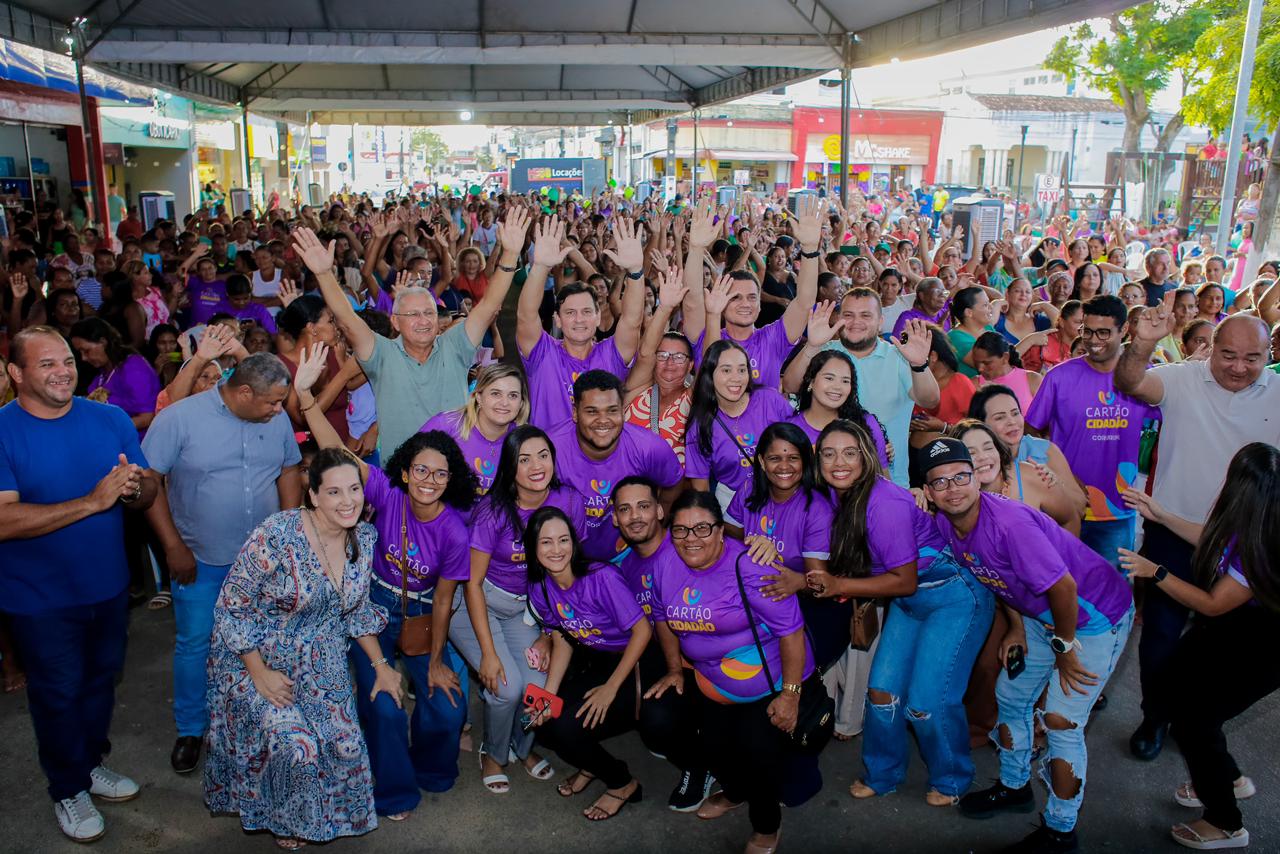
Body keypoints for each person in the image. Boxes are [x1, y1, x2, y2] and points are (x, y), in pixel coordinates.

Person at [923, 438, 1134, 854]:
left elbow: (1064, 588)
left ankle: (1060, 830)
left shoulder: (1009, 524)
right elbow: (996, 577)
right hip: (1042, 617)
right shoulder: (949, 523)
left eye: (961, 476)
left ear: (977, 477)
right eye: (940, 482)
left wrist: (1064, 646)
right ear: (929, 493)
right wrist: (1016, 627)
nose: (953, 488)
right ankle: (1015, 785)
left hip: (1090, 618)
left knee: (1060, 720)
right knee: (1011, 696)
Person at [0, 326, 156, 842]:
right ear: (15, 373)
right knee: (57, 693)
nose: (63, 371)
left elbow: (146, 486)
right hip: (37, 599)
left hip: (107, 587)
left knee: (98, 683)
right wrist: (92, 501)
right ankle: (66, 787)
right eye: (46, 364)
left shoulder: (109, 417)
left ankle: (89, 764)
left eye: (66, 360)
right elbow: (4, 520)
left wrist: (137, 487)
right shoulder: (3, 431)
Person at [203, 449, 402, 850]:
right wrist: (259, 673)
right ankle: (286, 818)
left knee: (344, 743)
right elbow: (231, 606)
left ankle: (316, 815)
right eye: (333, 492)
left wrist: (381, 665)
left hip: (322, 656)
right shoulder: (275, 534)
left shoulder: (364, 537)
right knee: (297, 747)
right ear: (313, 495)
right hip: (253, 656)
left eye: (354, 489)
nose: (348, 501)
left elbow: (357, 610)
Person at [1114, 303, 1280, 762]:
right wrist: (1143, 344)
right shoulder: (1182, 380)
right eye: (1228, 355)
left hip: (1247, 545)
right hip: (1173, 528)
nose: (1239, 367)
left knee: (1229, 643)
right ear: (1210, 348)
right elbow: (1129, 381)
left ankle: (1201, 721)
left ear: (1270, 352)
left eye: (1253, 358)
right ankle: (1156, 716)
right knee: (1161, 636)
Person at [805, 421, 992, 807]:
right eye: (828, 453)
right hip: (910, 603)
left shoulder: (883, 502)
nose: (839, 462)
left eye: (850, 452)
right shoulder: (837, 496)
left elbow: (903, 580)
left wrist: (840, 586)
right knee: (882, 692)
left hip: (951, 598)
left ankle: (953, 778)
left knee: (926, 702)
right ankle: (884, 773)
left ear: (866, 456)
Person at [141, 352, 302, 775]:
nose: (278, 411)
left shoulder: (274, 417)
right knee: (196, 642)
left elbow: (289, 470)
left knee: (266, 642)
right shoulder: (180, 418)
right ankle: (192, 729)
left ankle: (258, 721)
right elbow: (148, 481)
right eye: (270, 402)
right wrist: (172, 546)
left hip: (264, 562)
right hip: (202, 557)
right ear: (243, 392)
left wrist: (287, 538)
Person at [1119, 444, 1278, 851]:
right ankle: (1228, 778)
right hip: (1235, 627)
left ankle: (1225, 823)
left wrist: (1154, 572)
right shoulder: (1257, 516)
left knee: (1195, 722)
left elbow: (1211, 602)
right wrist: (1161, 515)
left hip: (1265, 643)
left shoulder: (1269, 542)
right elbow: (1216, 537)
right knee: (1173, 681)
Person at [649, 490, 814, 854]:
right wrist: (675, 668)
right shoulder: (665, 563)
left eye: (702, 528)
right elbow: (661, 617)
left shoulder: (751, 566)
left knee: (757, 754)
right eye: (680, 530)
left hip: (766, 687)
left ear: (722, 531)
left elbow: (791, 630)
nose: (691, 538)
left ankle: (767, 826)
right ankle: (735, 793)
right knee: (714, 747)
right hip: (711, 684)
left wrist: (790, 695)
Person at [296, 210, 526, 460]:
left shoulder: (455, 344)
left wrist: (511, 254)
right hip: (402, 480)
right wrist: (323, 274)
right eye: (413, 314)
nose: (423, 321)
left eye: (429, 312)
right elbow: (348, 322)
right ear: (394, 321)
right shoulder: (381, 354)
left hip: (458, 472)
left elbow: (489, 306)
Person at [452, 424, 584, 792]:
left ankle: (520, 746)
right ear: (509, 468)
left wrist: (546, 634)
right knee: (505, 688)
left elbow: (567, 576)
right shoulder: (492, 511)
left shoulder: (569, 501)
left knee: (538, 690)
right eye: (523, 459)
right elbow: (472, 583)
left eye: (543, 455)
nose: (536, 466)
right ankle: (492, 754)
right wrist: (489, 654)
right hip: (478, 603)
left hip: (529, 609)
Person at [523, 506, 652, 821]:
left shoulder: (601, 576)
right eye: (546, 542)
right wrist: (548, 696)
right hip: (593, 659)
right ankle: (590, 763)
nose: (557, 550)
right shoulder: (539, 586)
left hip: (633, 664)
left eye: (563, 540)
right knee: (543, 724)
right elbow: (563, 637)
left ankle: (622, 783)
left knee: (567, 729)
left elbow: (642, 631)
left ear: (574, 542)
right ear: (533, 548)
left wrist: (610, 688)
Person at [1024, 295, 1158, 569]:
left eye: (1104, 332)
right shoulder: (1059, 377)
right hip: (1066, 505)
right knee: (1064, 585)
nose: (1093, 340)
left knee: (1112, 589)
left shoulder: (1146, 379)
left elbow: (1165, 432)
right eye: (1087, 330)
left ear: (1124, 331)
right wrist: (1061, 473)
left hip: (1119, 508)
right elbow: (1031, 431)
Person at [611, 476, 714, 811]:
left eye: (643, 506)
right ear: (615, 518)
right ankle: (689, 748)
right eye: (625, 509)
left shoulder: (686, 546)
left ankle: (703, 762)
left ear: (659, 510)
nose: (635, 516)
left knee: (659, 719)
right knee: (650, 717)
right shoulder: (625, 566)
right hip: (666, 657)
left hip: (716, 659)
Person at [783, 288, 939, 487]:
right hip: (827, 482)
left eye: (866, 315)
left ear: (881, 321)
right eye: (848, 315)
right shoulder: (825, 351)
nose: (856, 322)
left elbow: (930, 400)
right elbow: (790, 385)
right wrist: (812, 346)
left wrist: (919, 365)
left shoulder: (900, 356)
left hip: (887, 482)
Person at [683, 196, 823, 393]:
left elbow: (804, 302)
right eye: (736, 297)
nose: (745, 303)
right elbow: (691, 301)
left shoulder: (773, 339)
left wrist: (809, 250)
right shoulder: (707, 335)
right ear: (721, 303)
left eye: (752, 297)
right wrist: (696, 249)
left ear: (759, 304)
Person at [517, 215, 645, 428]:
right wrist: (540, 267)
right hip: (548, 461)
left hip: (603, 460)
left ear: (597, 317)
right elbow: (526, 315)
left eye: (586, 311)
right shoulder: (542, 353)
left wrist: (635, 272)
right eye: (570, 313)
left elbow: (632, 321)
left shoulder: (610, 354)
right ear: (557, 320)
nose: (579, 319)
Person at [548, 370, 684, 563]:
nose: (603, 420)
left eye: (612, 410)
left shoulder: (648, 447)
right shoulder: (548, 449)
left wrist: (657, 519)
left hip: (627, 554)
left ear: (622, 411)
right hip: (563, 559)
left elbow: (673, 482)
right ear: (575, 413)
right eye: (592, 411)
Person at [685, 338, 795, 510]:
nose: (736, 378)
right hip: (734, 509)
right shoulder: (701, 425)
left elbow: (800, 445)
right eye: (726, 370)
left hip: (784, 497)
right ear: (709, 375)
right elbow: (701, 489)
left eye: (742, 370)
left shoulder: (770, 400)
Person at [788, 313, 890, 470]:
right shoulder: (791, 429)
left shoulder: (865, 424)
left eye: (845, 381)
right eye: (829, 378)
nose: (837, 387)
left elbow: (882, 480)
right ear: (811, 381)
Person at [421, 362, 529, 502]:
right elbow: (410, 470)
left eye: (513, 395)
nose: (504, 403)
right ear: (479, 397)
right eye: (496, 393)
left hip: (495, 523)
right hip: (443, 521)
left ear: (521, 403)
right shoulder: (446, 426)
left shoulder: (526, 440)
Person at [624, 270, 693, 465]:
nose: (670, 363)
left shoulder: (696, 398)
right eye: (662, 355)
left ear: (691, 365)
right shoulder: (639, 388)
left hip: (677, 491)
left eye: (679, 357)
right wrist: (664, 308)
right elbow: (646, 353)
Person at [70, 317, 162, 438]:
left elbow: (148, 417)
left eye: (86, 351)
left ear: (103, 342)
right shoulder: (104, 372)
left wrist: (105, 430)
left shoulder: (133, 367)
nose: (83, 358)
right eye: (80, 352)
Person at [971, 332, 1041, 414]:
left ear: (1005, 357)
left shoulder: (1032, 379)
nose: (980, 368)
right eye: (976, 363)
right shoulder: (974, 384)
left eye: (987, 363)